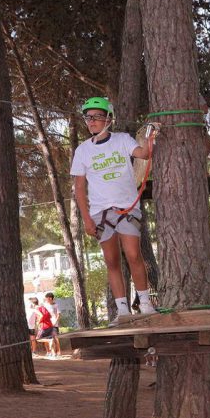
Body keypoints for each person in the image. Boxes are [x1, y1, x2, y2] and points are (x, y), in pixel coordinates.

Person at [71, 97, 157, 326]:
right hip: (101, 213)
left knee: (133, 255)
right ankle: (122, 310)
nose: (92, 121)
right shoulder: (83, 151)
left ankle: (146, 303)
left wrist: (149, 137)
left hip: (127, 207)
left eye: (98, 116)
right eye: (89, 117)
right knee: (111, 261)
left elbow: (144, 154)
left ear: (109, 119)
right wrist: (87, 219)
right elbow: (79, 188)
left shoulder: (122, 140)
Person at [41, 292, 61, 356]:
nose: (48, 299)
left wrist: (55, 321)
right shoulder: (44, 305)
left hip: (54, 324)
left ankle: (58, 351)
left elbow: (59, 314)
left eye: (49, 297)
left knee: (56, 338)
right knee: (46, 338)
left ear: (52, 298)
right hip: (46, 324)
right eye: (47, 298)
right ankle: (49, 352)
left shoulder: (56, 305)